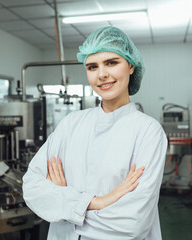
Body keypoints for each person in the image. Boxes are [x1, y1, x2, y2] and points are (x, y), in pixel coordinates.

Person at [22, 26, 168, 240]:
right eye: (92, 66)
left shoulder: (148, 131)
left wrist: (65, 204)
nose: (102, 75)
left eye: (111, 62)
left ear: (130, 66)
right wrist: (98, 202)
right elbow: (32, 188)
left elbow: (133, 222)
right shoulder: (71, 124)